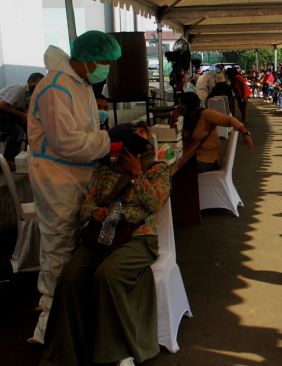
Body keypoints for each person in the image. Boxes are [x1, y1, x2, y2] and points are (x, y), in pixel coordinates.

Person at [41, 122, 168, 366]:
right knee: (70, 275)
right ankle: (65, 353)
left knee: (107, 274)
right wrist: (95, 212)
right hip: (102, 236)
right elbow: (86, 204)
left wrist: (136, 174)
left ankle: (115, 352)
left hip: (138, 238)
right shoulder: (103, 172)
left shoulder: (157, 171)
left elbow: (155, 203)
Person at [27, 30, 121, 344]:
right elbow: (66, 141)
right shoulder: (55, 87)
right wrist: (110, 140)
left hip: (76, 174)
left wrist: (102, 124)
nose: (106, 67)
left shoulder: (78, 83)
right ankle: (51, 325)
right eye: (104, 61)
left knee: (72, 241)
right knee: (57, 246)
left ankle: (72, 312)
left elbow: (79, 125)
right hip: (56, 177)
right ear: (85, 58)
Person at [173, 92, 253, 172]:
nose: (179, 106)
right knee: (172, 168)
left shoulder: (205, 114)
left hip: (209, 160)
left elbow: (229, 120)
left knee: (177, 171)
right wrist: (172, 121)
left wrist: (245, 133)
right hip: (192, 157)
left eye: (181, 104)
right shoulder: (188, 118)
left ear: (188, 105)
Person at [0, 73, 44, 161]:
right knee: (17, 130)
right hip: (1, 114)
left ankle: (28, 157)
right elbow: (2, 105)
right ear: (29, 82)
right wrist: (22, 115)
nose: (39, 88)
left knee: (31, 128)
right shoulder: (19, 89)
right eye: (38, 84)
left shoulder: (32, 94)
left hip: (8, 115)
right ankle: (8, 161)